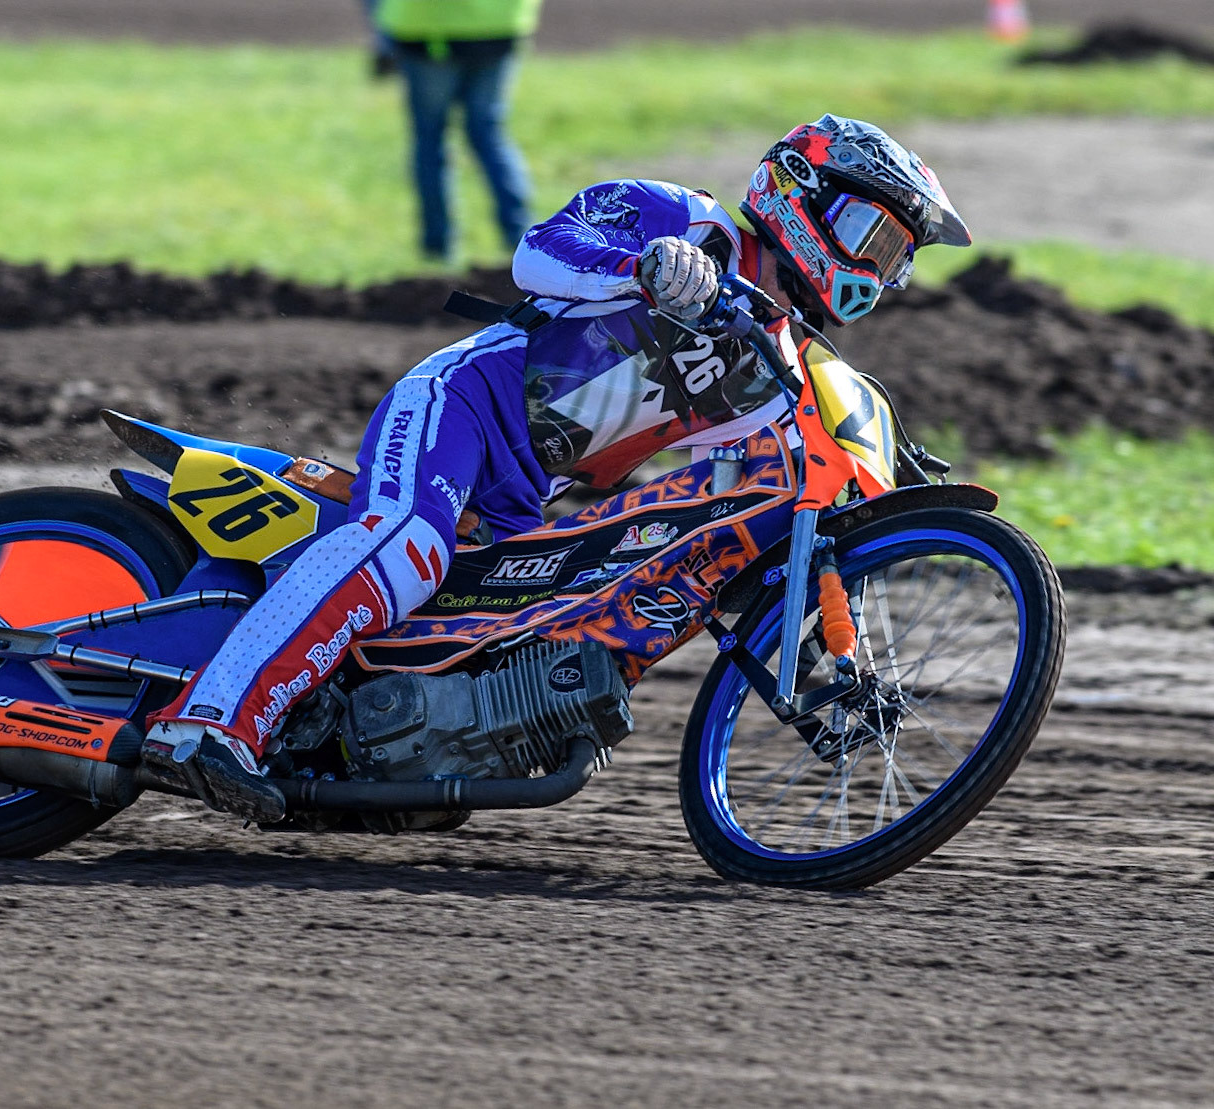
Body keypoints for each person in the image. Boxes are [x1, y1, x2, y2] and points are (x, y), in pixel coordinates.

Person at [144, 114, 972, 821]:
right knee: (407, 543)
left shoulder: (776, 369)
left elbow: (772, 502)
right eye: (875, 238)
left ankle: (340, 759)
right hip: (462, 403)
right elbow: (540, 252)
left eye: (898, 258)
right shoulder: (686, 222)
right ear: (800, 194)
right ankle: (209, 722)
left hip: (525, 496)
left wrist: (848, 623)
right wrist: (643, 270)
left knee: (493, 644)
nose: (881, 271)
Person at [374, 0, 543, 260]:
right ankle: (521, 238)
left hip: (428, 31)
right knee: (489, 134)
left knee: (430, 140)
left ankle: (438, 246)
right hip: (501, 27)